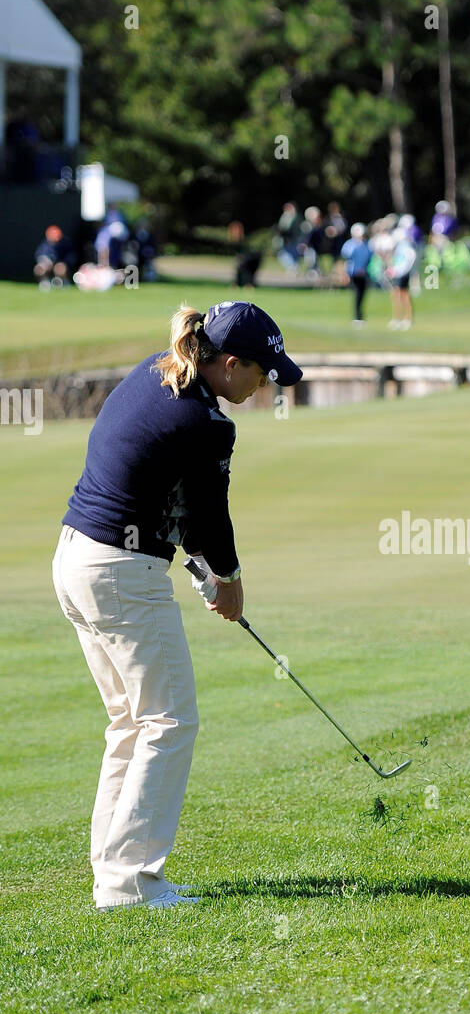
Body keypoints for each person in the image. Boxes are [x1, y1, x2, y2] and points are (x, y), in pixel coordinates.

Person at [52, 302, 303, 911]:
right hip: (117, 573)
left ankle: (112, 870)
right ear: (231, 363)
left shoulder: (155, 372)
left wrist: (202, 571)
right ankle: (129, 882)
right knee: (168, 721)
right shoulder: (208, 425)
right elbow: (210, 520)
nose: (267, 384)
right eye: (262, 372)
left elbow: (174, 504)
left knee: (131, 722)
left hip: (75, 560)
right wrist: (230, 580)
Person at [385, 227, 417, 328]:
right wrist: (392, 269)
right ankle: (398, 318)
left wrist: (402, 270)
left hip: (402, 274)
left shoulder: (405, 246)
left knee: (404, 296)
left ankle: (407, 318)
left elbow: (410, 259)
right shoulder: (400, 246)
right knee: (395, 295)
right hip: (397, 273)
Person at [340, 222, 372, 323]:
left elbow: (370, 259)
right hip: (353, 273)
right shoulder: (350, 244)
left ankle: (360, 316)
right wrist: (344, 274)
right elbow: (345, 260)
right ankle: (357, 317)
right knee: (357, 294)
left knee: (362, 294)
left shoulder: (367, 244)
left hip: (364, 273)